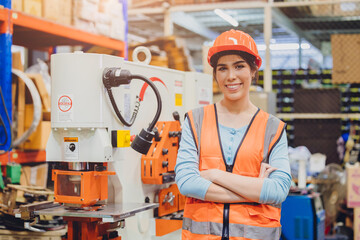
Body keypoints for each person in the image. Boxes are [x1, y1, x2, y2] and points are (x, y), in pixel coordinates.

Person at [175, 29, 292, 240]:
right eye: (223, 68)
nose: (231, 76)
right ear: (215, 74)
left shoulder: (273, 128)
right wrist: (255, 192)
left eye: (239, 66)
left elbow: (278, 191)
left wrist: (214, 175)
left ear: (253, 71)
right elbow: (186, 182)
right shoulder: (195, 120)